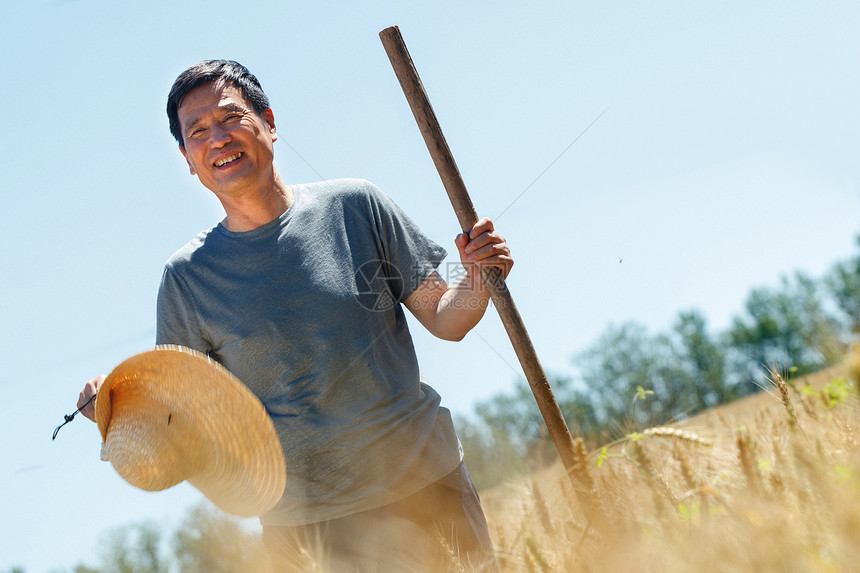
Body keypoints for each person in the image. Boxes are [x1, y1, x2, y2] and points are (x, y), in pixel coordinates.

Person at [78, 60, 512, 571]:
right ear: (187, 159)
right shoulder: (187, 280)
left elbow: (445, 317)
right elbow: (182, 428)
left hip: (426, 487)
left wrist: (481, 276)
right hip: (309, 529)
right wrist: (114, 410)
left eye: (230, 118)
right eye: (197, 132)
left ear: (269, 123)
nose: (217, 139)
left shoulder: (356, 207)